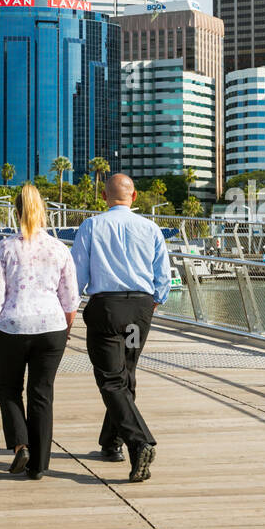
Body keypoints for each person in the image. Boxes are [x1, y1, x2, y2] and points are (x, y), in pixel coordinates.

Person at [71, 173, 171, 483]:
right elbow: (163, 276)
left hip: (107, 309)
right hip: (139, 310)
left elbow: (77, 275)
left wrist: (70, 309)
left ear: (104, 196)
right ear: (135, 197)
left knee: (111, 380)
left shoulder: (91, 226)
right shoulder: (151, 228)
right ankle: (111, 442)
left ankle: (139, 442)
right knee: (126, 375)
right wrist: (152, 304)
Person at [0, 184, 79, 480]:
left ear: (16, 212)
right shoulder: (60, 249)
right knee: (41, 393)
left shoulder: (4, 248)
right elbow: (70, 300)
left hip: (12, 327)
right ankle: (40, 465)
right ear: (43, 212)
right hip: (52, 328)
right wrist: (66, 329)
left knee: (9, 389)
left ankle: (21, 445)